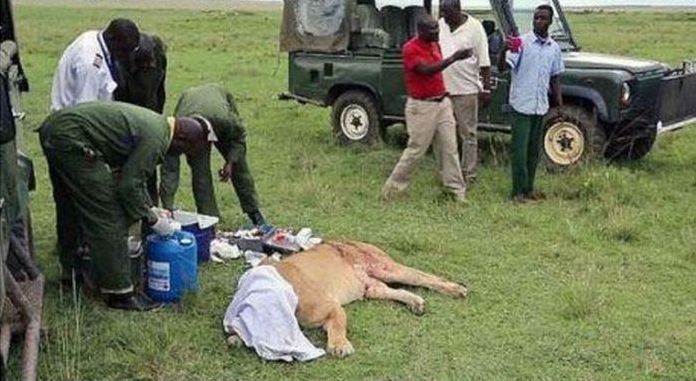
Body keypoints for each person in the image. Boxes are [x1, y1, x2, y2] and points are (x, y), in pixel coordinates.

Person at [39, 101, 209, 311]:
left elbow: (128, 176)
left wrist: (149, 208)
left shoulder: (158, 125)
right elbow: (128, 186)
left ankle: (72, 273)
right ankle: (119, 293)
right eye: (185, 150)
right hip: (72, 138)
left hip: (57, 129)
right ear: (181, 139)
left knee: (71, 207)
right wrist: (153, 219)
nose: (181, 155)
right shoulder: (156, 138)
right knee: (107, 214)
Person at [381, 15, 471, 203]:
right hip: (422, 107)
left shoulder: (434, 44)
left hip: (442, 103)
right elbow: (427, 70)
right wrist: (454, 57)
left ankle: (455, 191)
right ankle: (393, 190)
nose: (437, 33)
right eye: (433, 31)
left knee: (450, 148)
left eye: (437, 29)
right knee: (416, 150)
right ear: (420, 31)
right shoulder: (410, 49)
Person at [159, 84, 266, 226]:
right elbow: (169, 170)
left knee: (240, 168)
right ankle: (209, 220)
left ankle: (254, 213)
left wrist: (230, 162)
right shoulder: (179, 132)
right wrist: (168, 209)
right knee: (201, 175)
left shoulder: (226, 120)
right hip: (191, 112)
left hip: (217, 117)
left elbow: (239, 139)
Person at [497, 4, 564, 204]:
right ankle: (517, 192)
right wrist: (503, 51)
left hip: (540, 105)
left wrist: (559, 105)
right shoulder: (521, 43)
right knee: (519, 150)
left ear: (550, 22)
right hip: (521, 105)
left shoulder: (554, 48)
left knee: (533, 151)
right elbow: (502, 68)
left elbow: (555, 78)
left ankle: (529, 189)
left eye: (543, 18)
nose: (538, 21)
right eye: (536, 18)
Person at [439, 0, 491, 185]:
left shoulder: (475, 27)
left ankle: (469, 174)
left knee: (468, 134)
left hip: (466, 89)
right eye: (442, 12)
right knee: (445, 134)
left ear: (458, 10)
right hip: (443, 90)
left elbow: (484, 61)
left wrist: (486, 88)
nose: (443, 16)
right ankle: (449, 174)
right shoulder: (441, 25)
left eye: (446, 12)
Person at [113, 32, 168, 204]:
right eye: (142, 67)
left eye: (149, 67)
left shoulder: (157, 54)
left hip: (149, 117)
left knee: (148, 166)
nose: (147, 69)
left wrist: (156, 123)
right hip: (126, 119)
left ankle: (151, 207)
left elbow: (160, 92)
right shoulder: (121, 63)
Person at [50, 18, 140, 112]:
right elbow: (85, 110)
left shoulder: (93, 37)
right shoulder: (90, 65)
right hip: (74, 120)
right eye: (125, 50)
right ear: (112, 39)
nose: (128, 57)